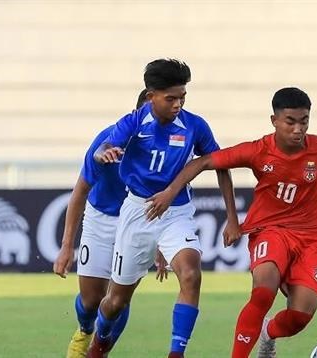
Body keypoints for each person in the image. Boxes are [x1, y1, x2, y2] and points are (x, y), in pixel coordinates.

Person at [146, 87, 317, 358]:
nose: (298, 129)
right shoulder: (258, 151)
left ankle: (268, 333)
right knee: (263, 291)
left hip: (312, 237)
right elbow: (204, 162)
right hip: (271, 230)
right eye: (290, 122)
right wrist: (171, 193)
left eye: (304, 121)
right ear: (275, 121)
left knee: (300, 315)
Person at [87, 58, 240, 358]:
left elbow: (220, 165)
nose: (178, 104)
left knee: (191, 274)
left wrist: (232, 219)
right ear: (150, 97)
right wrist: (105, 154)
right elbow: (101, 149)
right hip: (137, 212)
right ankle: (98, 344)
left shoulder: (195, 126)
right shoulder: (132, 122)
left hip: (176, 213)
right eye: (170, 98)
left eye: (182, 97)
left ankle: (176, 354)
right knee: (115, 301)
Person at [53, 89, 165, 358]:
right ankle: (84, 329)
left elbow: (167, 196)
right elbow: (80, 191)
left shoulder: (167, 147)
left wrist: (160, 242)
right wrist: (67, 247)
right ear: (137, 114)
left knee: (119, 296)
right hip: (101, 218)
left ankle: (100, 348)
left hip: (138, 221)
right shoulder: (107, 141)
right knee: (92, 300)